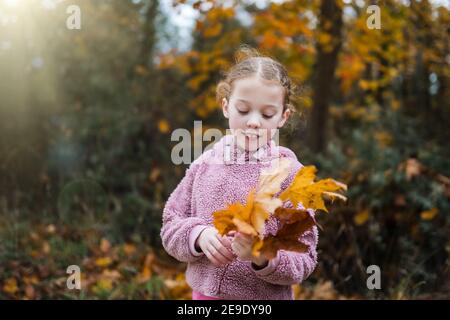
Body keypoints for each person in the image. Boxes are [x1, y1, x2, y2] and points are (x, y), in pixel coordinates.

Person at [161, 45, 318, 300]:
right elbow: (170, 224)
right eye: (243, 110)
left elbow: (305, 258)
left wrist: (263, 256)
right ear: (226, 107)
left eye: (267, 114)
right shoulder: (204, 165)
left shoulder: (290, 177)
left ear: (282, 117)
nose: (254, 121)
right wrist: (199, 235)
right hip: (205, 297)